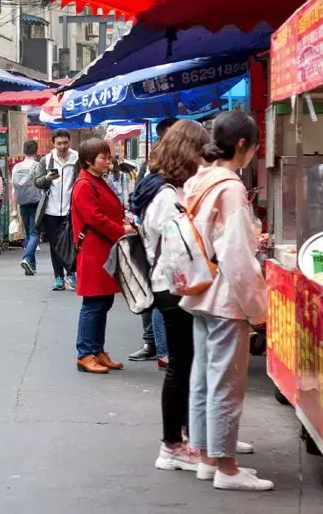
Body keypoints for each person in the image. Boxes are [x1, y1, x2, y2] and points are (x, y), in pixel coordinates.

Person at [181, 111, 271, 491]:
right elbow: (236, 256)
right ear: (242, 145)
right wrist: (259, 309)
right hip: (225, 298)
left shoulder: (199, 180)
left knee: (203, 379)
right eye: (254, 147)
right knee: (226, 384)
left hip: (199, 292)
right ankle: (227, 468)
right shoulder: (230, 187)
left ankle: (206, 458)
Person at [129, 120, 211, 473]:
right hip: (172, 286)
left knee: (185, 363)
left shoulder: (159, 187)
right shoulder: (165, 195)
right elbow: (177, 247)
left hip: (169, 283)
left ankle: (191, 436)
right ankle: (172, 446)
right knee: (181, 365)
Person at [71, 138, 132, 374]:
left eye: (108, 157)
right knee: (94, 302)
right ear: (89, 161)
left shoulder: (96, 180)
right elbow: (94, 218)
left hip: (104, 247)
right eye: (103, 158)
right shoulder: (84, 184)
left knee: (104, 301)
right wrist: (120, 229)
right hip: (94, 250)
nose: (108, 162)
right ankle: (85, 353)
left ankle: (96, 349)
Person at [132, 117, 180, 362]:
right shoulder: (164, 186)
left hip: (152, 246)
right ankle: (160, 349)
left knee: (156, 293)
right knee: (161, 296)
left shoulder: (153, 175)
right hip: (160, 251)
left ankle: (155, 344)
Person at [34, 131, 79, 291]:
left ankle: (71, 273)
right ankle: (58, 277)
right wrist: (47, 179)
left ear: (70, 142)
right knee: (54, 245)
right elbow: (37, 182)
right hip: (51, 210)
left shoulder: (77, 159)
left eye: (65, 143)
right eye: (59, 143)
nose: (62, 146)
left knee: (71, 243)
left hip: (70, 210)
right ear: (53, 143)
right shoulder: (46, 160)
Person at [11, 140, 42, 275]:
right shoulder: (38, 166)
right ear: (36, 151)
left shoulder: (16, 167)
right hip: (36, 202)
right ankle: (27, 258)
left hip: (22, 203)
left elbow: (14, 190)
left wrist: (14, 209)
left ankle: (31, 266)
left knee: (28, 234)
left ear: (24, 151)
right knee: (35, 233)